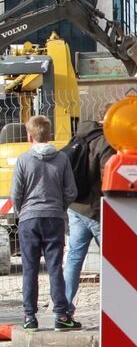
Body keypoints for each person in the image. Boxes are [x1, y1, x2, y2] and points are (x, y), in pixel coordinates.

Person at [12, 115, 78, 331]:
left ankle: (30, 317)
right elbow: (71, 191)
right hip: (54, 218)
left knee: (30, 269)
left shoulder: (23, 160)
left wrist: (23, 211)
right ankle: (61, 315)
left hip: (29, 219)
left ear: (29, 136)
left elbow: (16, 193)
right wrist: (59, 207)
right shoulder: (62, 159)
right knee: (55, 267)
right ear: (50, 135)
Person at [63, 116, 115, 319]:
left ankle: (64, 310)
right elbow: (108, 180)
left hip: (75, 206)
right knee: (113, 260)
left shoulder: (78, 136)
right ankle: (116, 310)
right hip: (95, 209)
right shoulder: (105, 142)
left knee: (74, 258)